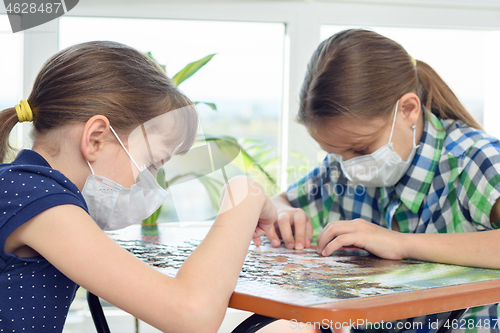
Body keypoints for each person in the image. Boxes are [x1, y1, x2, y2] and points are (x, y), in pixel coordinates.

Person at [0, 41, 277, 332]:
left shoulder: (24, 186)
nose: (146, 182)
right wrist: (244, 195)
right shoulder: (38, 200)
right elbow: (193, 314)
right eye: (151, 163)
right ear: (95, 138)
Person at [268, 28, 500, 332]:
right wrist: (284, 213)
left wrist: (400, 243)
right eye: (335, 153)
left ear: (408, 110)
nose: (350, 166)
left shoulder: (475, 159)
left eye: (362, 149)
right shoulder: (341, 166)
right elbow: (280, 201)